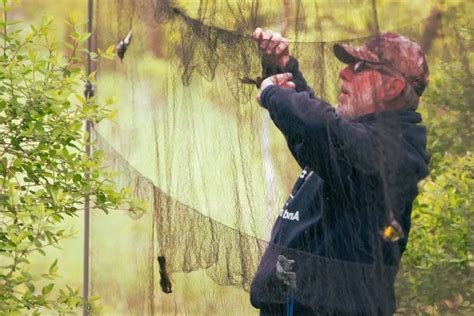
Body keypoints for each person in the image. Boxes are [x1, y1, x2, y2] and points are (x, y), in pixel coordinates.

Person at [249, 28, 430, 315]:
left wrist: (273, 94)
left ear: (392, 88)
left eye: (360, 67)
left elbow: (324, 129)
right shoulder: (359, 142)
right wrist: (283, 68)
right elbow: (318, 133)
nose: (344, 73)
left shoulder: (395, 152)